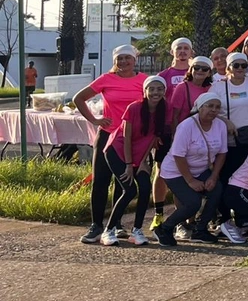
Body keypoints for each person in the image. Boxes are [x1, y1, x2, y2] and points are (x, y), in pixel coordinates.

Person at [73, 44, 148, 244]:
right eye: (119, 58)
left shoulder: (143, 81)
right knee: (100, 180)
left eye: (127, 58)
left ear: (134, 60)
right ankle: (96, 226)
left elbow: (153, 104)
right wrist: (94, 119)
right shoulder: (106, 79)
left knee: (123, 182)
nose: (123, 62)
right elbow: (79, 98)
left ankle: (116, 225)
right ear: (114, 61)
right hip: (108, 135)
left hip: (131, 139)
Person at [98, 75, 170, 246]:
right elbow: (127, 137)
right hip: (117, 151)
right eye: (151, 89)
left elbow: (154, 138)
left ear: (164, 91)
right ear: (145, 91)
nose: (156, 92)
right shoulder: (134, 108)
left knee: (145, 188)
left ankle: (137, 230)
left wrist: (143, 161)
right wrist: (129, 165)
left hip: (139, 155)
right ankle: (108, 230)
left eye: (160, 89)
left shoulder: (165, 109)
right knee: (129, 190)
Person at [156, 93, 228, 246]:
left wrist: (213, 176)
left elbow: (222, 153)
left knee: (216, 190)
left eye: (217, 107)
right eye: (209, 106)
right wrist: (190, 181)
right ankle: (164, 228)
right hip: (175, 171)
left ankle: (200, 230)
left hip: (200, 169)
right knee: (192, 202)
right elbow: (178, 155)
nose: (213, 110)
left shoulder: (220, 125)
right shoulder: (186, 126)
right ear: (199, 107)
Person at [215, 52, 248, 215]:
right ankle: (224, 216)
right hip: (227, 140)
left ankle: (245, 214)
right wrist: (225, 121)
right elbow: (206, 109)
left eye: (243, 65)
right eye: (236, 65)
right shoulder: (218, 86)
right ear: (229, 67)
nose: (240, 68)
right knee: (225, 177)